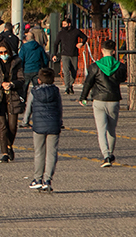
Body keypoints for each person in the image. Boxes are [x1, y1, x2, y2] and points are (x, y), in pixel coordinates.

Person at [79, 38, 127, 168]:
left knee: (101, 130)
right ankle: (111, 153)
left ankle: (106, 155)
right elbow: (123, 78)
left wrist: (83, 97)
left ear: (102, 50)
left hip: (99, 100)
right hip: (114, 100)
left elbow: (88, 82)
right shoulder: (120, 66)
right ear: (114, 51)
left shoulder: (95, 66)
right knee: (111, 130)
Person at [0, 41, 25, 163]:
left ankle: (9, 146)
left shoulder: (16, 62)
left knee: (12, 126)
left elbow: (21, 79)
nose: (3, 54)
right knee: (2, 126)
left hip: (12, 97)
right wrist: (1, 85)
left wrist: (12, 84)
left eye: (5, 52)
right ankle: (4, 153)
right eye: (1, 53)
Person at [30, 68, 63, 192]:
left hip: (38, 126)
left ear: (39, 80)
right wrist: (60, 121)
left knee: (39, 152)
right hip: (54, 124)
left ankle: (37, 178)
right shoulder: (56, 91)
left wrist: (25, 121)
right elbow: (59, 107)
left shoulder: (34, 92)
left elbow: (29, 107)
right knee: (52, 152)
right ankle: (47, 179)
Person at [19, 30, 51, 128]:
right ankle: (38, 105)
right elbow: (45, 59)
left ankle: (22, 105)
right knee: (38, 89)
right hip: (37, 69)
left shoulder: (24, 47)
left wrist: (21, 68)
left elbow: (21, 58)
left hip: (27, 70)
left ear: (27, 38)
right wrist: (44, 67)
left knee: (23, 89)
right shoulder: (39, 47)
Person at [53, 17, 89, 94]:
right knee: (66, 71)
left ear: (69, 24)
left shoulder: (76, 31)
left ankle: (70, 84)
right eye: (62, 24)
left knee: (74, 70)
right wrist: (54, 54)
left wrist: (81, 43)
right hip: (64, 54)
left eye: (65, 24)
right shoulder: (61, 33)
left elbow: (85, 37)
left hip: (74, 54)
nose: (63, 26)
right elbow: (56, 44)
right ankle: (67, 87)